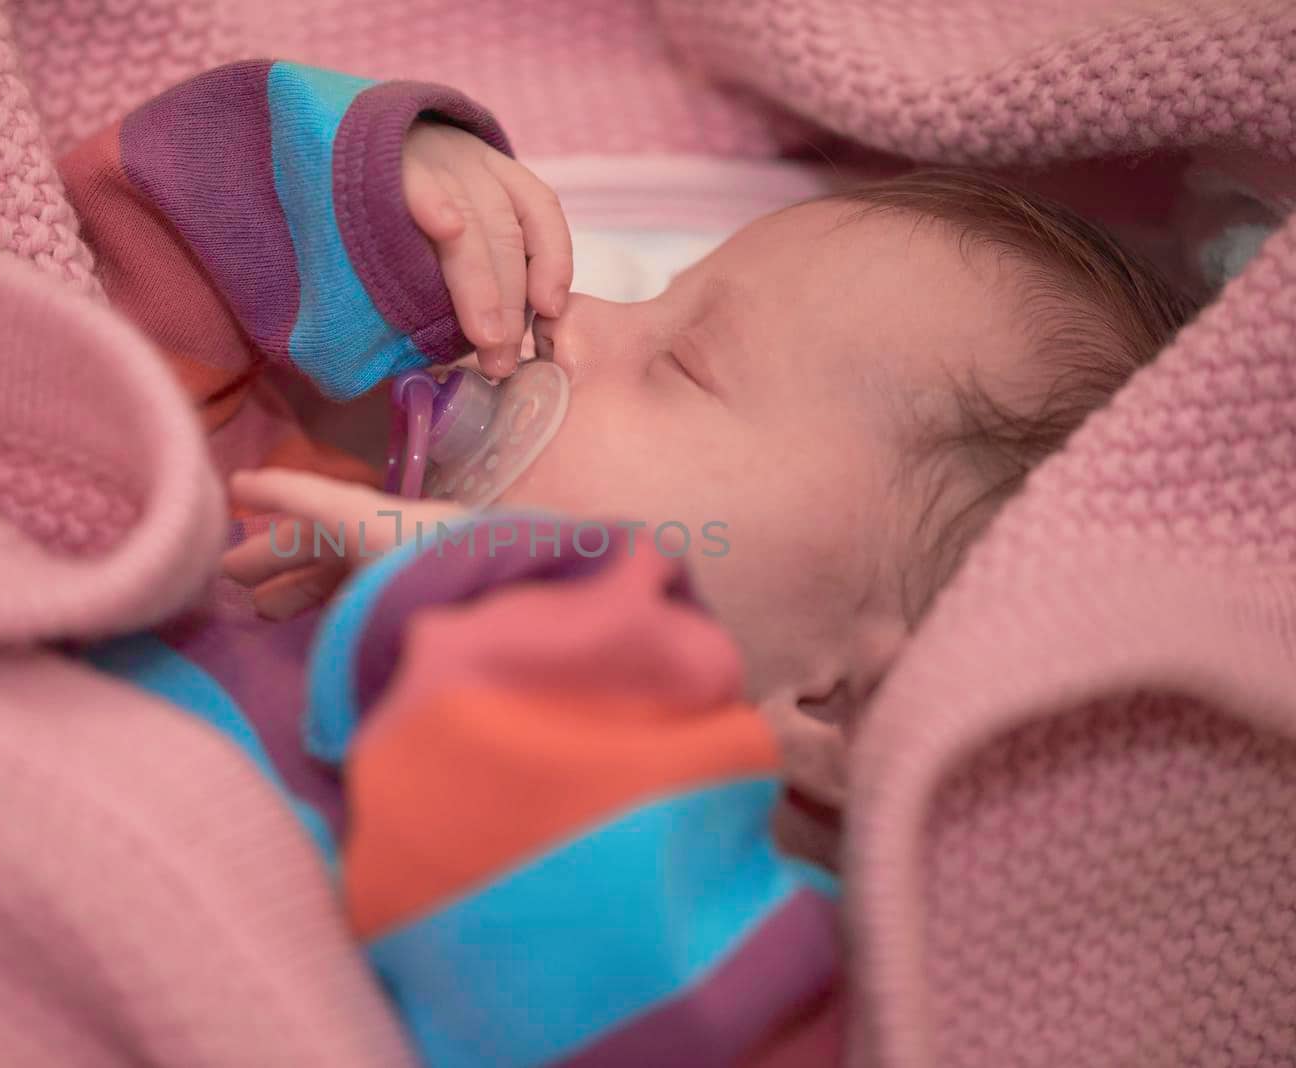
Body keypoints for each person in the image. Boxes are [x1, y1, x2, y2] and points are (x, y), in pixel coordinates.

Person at [61, 59, 1199, 1066]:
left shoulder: (734, 975)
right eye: (649, 302)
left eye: (683, 364)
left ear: (842, 704)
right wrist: (377, 204)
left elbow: (542, 963)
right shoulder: (292, 532)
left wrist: (486, 608)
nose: (585, 319)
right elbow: (93, 314)